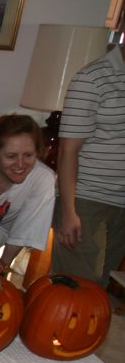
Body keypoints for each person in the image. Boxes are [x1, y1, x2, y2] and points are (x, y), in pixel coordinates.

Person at [53, 41, 125, 287]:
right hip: (88, 199)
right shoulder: (92, 78)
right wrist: (69, 211)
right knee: (78, 290)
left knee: (108, 290)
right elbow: (67, 151)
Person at [0, 114, 56, 269]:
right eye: (11, 156)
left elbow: (24, 230)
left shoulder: (43, 179)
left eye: (28, 155)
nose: (20, 164)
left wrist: (2, 266)